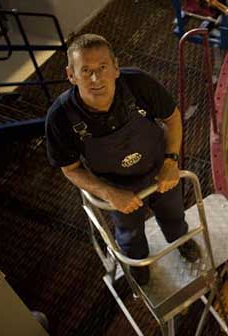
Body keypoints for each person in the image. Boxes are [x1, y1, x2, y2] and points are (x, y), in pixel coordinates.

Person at [45, 33, 200, 285]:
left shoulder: (138, 85)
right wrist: (108, 194)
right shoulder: (60, 117)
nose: (96, 78)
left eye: (102, 67)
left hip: (159, 169)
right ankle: (138, 262)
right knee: (129, 232)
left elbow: (172, 119)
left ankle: (180, 241)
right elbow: (70, 169)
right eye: (85, 70)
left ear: (116, 68)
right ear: (71, 75)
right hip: (117, 186)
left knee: (173, 214)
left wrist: (171, 162)